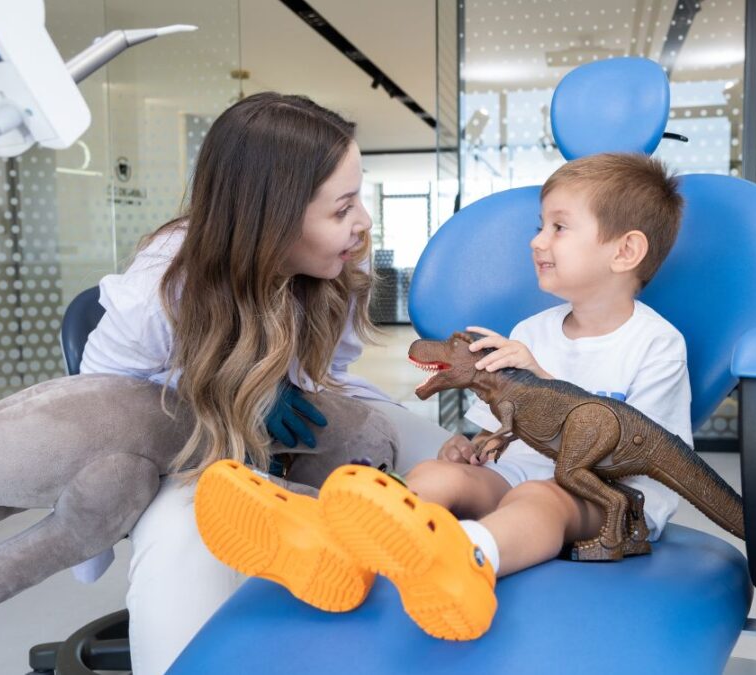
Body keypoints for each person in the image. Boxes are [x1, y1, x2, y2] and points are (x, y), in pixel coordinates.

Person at [197, 151, 691, 640]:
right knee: (438, 474)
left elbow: (636, 457)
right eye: (540, 225)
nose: (538, 241)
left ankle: (469, 560)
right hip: (520, 476)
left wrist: (546, 386)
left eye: (559, 227)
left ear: (624, 251)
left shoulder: (656, 345)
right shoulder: (531, 330)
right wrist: (474, 448)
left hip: (611, 502)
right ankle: (333, 547)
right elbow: (501, 432)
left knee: (542, 497)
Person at [77, 92, 452, 673]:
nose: (363, 222)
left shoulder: (325, 275)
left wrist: (403, 441)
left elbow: (335, 380)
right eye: (341, 208)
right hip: (187, 454)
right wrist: (232, 389)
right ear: (270, 218)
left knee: (450, 462)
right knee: (183, 535)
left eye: (360, 198)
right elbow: (95, 408)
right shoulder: (160, 290)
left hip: (285, 448)